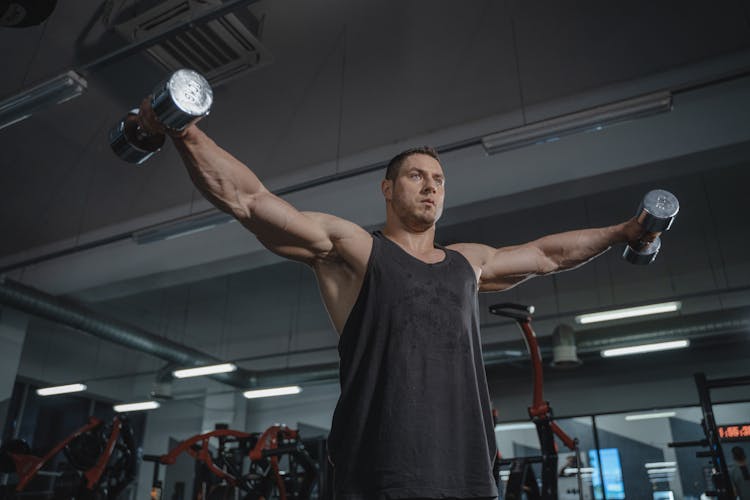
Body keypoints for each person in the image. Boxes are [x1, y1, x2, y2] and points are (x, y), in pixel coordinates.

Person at [139, 103, 647, 499]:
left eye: (439, 180)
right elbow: (252, 201)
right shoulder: (356, 250)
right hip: (379, 477)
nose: (431, 186)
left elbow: (545, 256)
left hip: (470, 476)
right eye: (416, 176)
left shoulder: (468, 261)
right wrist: (183, 129)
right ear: (387, 188)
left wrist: (624, 231)